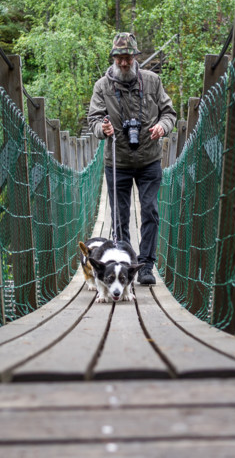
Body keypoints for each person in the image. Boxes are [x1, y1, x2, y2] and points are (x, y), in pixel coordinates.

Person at [88, 32, 177, 285]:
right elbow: (93, 119)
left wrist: (162, 127)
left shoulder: (152, 81)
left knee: (149, 211)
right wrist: (101, 130)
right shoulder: (102, 87)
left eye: (127, 58)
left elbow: (169, 113)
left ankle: (146, 265)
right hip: (117, 162)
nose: (123, 63)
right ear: (113, 58)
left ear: (135, 56)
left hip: (149, 159)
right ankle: (124, 264)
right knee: (119, 217)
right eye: (119, 59)